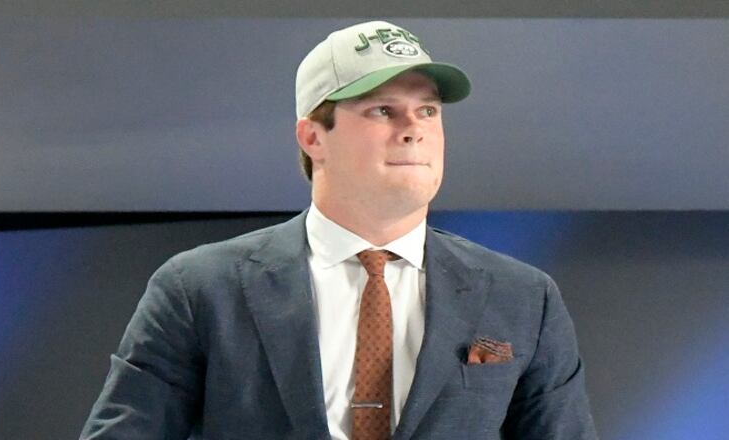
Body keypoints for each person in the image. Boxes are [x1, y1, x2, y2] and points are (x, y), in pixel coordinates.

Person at [81, 20, 598, 440]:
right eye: (382, 110)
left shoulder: (523, 298)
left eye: (427, 110)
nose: (414, 129)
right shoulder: (200, 289)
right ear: (313, 137)